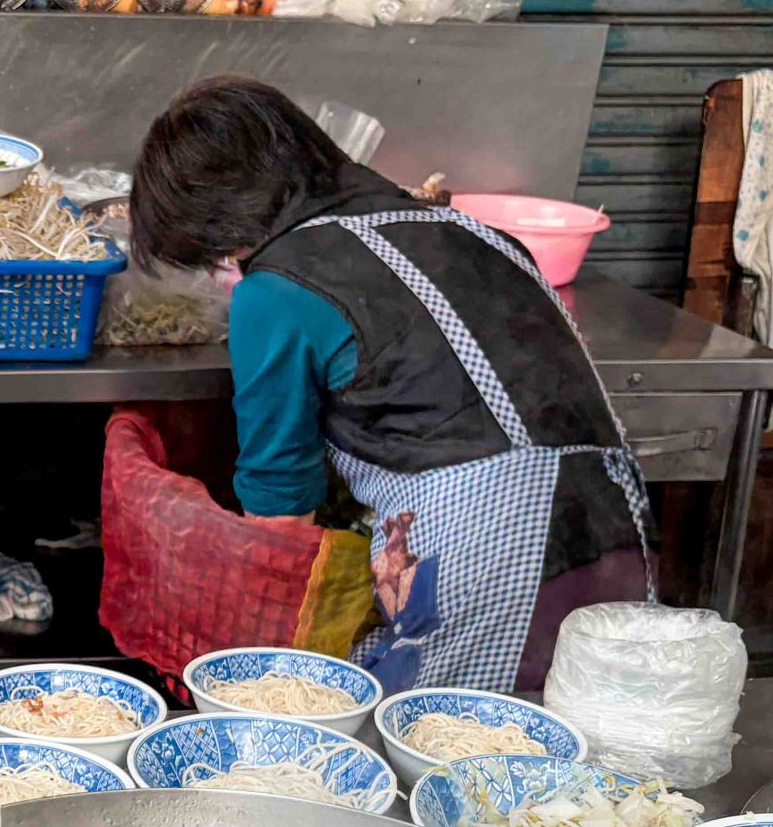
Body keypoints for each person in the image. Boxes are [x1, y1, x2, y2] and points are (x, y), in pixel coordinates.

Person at [130, 76, 652, 694]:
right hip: (623, 536)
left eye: (213, 247)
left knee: (445, 765)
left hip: (481, 564)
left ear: (223, 216)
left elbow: (280, 517)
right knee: (587, 753)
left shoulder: (277, 291)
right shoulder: (484, 235)